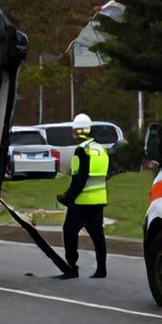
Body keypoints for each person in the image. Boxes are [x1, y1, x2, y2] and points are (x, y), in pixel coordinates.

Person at [57, 113, 109, 279]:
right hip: (98, 199)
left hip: (81, 201)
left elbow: (80, 179)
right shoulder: (101, 150)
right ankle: (102, 269)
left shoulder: (82, 150)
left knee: (69, 231)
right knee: (97, 234)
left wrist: (67, 197)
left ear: (77, 131)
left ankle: (72, 267)